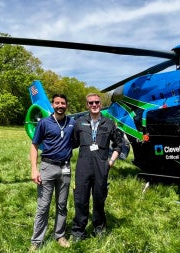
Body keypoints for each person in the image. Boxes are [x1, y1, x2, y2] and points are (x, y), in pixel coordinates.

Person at [72, 93, 123, 241]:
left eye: (97, 102)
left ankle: (99, 227)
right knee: (81, 200)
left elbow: (119, 145)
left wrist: (111, 162)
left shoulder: (109, 123)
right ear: (87, 105)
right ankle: (78, 232)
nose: (94, 105)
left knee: (99, 199)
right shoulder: (79, 122)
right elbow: (73, 142)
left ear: (100, 104)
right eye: (91, 103)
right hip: (83, 167)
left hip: (101, 167)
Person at [29, 94, 75, 250]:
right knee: (43, 206)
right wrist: (34, 169)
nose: (60, 105)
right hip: (47, 167)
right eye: (57, 103)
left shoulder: (72, 123)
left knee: (62, 205)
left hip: (65, 168)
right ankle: (36, 241)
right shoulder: (44, 123)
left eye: (63, 103)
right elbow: (34, 145)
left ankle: (60, 235)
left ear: (66, 105)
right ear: (52, 104)